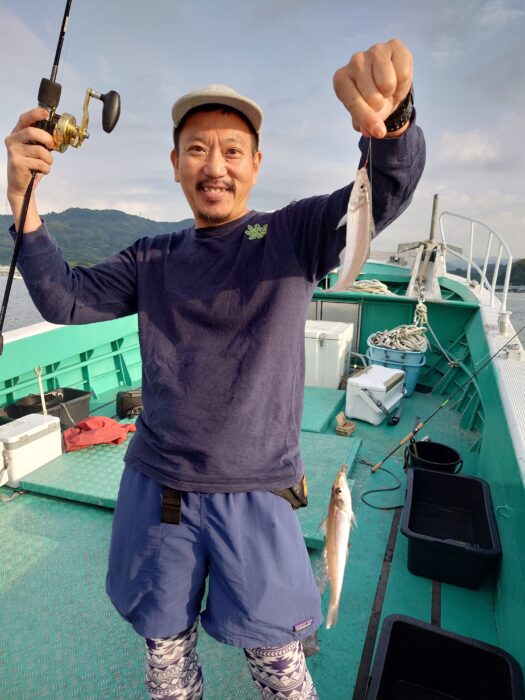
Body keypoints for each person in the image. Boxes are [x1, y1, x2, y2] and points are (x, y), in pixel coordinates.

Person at [5, 39, 425, 700]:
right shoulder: (152, 255)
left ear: (256, 163)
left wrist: (392, 122)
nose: (215, 166)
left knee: (279, 664)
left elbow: (383, 193)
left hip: (258, 493)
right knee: (166, 660)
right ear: (175, 164)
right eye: (197, 149)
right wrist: (22, 202)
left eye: (232, 150)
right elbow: (66, 299)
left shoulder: (294, 234)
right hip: (159, 491)